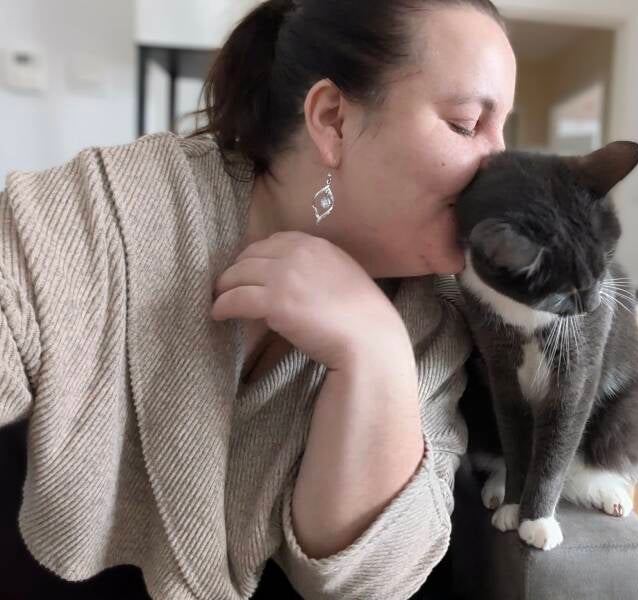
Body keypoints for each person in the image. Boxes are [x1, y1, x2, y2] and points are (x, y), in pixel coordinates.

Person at [0, 0, 516, 598]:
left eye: (505, 130)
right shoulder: (121, 208)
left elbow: (377, 580)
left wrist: (375, 352)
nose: (502, 167)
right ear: (333, 120)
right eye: (466, 124)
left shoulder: (434, 318)